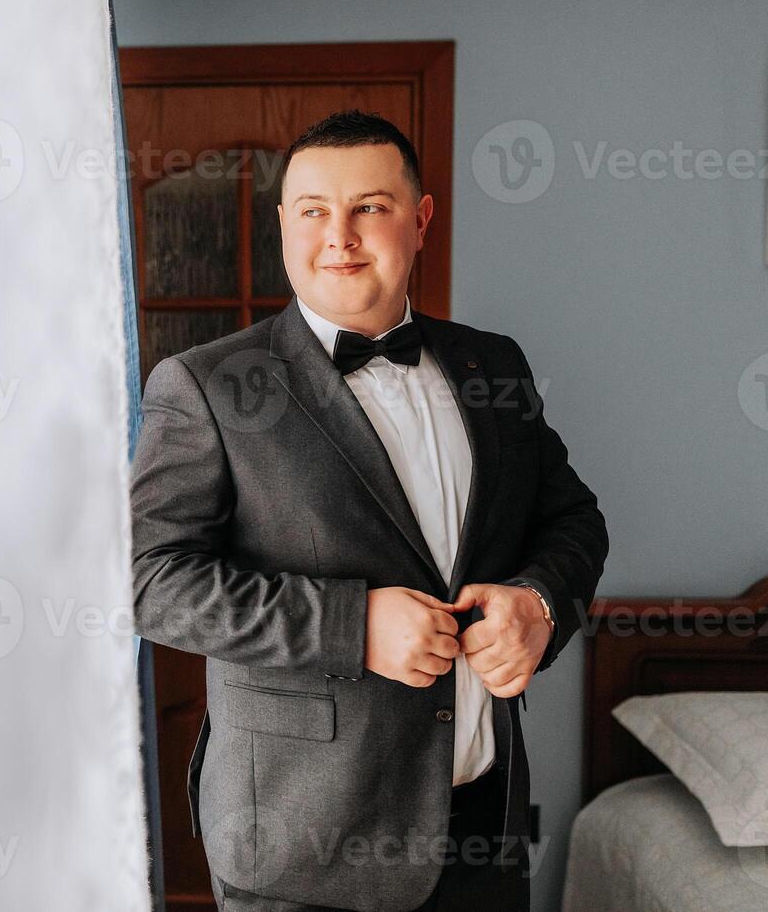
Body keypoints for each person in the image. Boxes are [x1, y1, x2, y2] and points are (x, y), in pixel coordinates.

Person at [130, 110, 608, 912]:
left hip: (483, 826)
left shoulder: (493, 364)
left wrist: (540, 602)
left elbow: (574, 521)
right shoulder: (205, 385)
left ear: (419, 220)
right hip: (303, 843)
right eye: (313, 210)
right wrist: (353, 625)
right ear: (284, 223)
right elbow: (150, 581)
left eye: (371, 208)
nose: (339, 236)